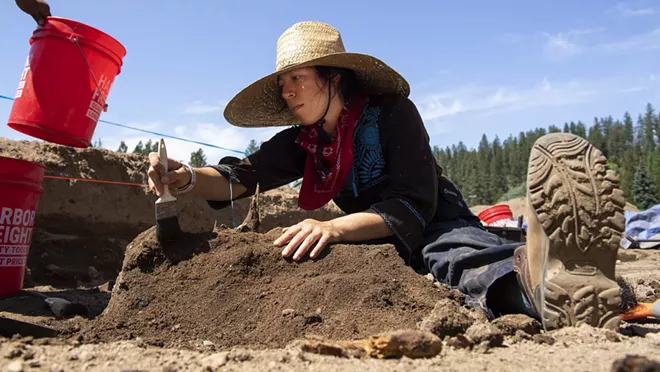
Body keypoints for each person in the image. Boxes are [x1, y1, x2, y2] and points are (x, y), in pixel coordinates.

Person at [147, 21, 626, 331]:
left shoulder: (393, 113)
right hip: (376, 243)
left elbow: (414, 203)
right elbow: (240, 176)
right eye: (282, 83)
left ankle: (546, 289)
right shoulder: (304, 141)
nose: (287, 91)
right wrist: (185, 176)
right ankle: (561, 281)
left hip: (436, 220)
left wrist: (332, 227)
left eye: (297, 78)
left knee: (452, 258)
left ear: (333, 76)